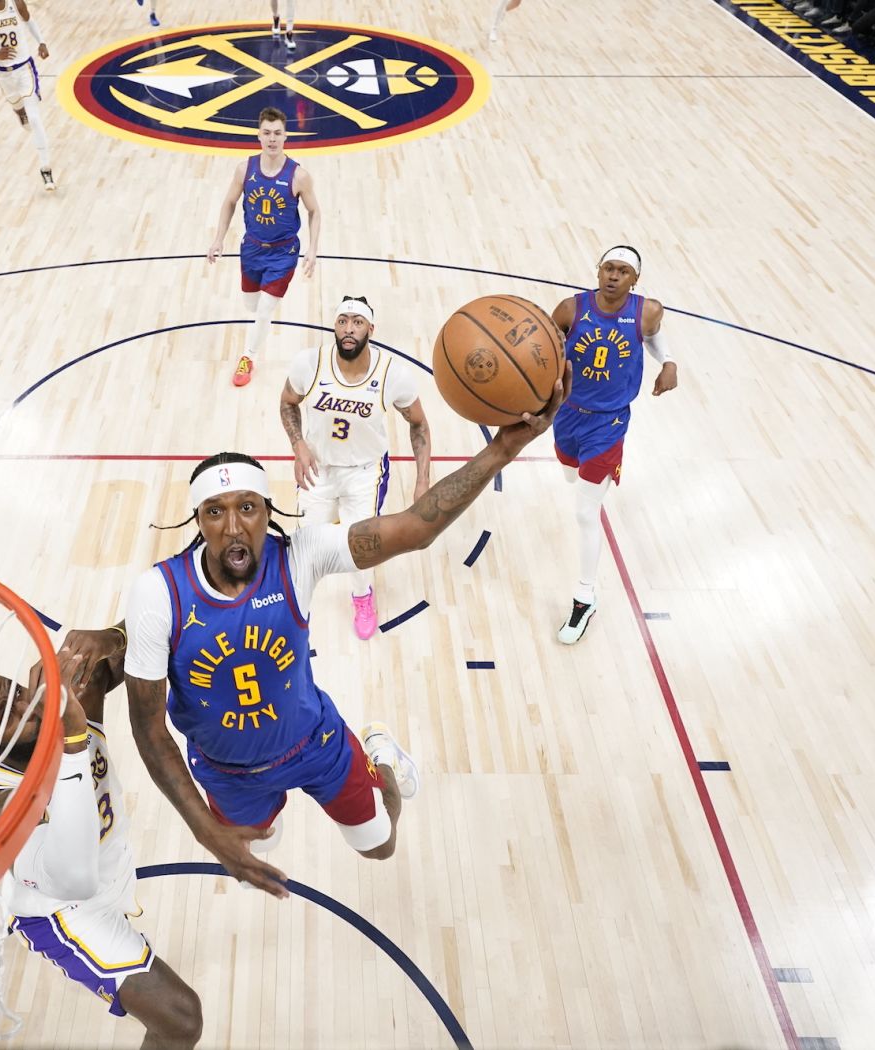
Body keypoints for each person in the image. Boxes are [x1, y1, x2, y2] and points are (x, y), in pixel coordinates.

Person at [122, 385, 564, 898]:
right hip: (226, 771)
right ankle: (262, 815)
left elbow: (414, 530)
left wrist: (502, 449)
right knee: (258, 841)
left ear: (269, 511)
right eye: (215, 512)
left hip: (315, 744)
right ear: (198, 522)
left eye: (247, 506)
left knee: (380, 844)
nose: (234, 526)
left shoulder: (300, 555)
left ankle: (381, 752)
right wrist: (207, 833)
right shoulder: (158, 592)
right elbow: (149, 731)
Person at [0, 632, 203, 1049]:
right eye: (6, 714)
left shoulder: (59, 700)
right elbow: (72, 879)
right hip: (63, 910)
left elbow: (159, 621)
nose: (29, 709)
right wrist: (73, 739)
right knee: (181, 1018)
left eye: (19, 693)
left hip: (110, 862)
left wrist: (110, 638)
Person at [279, 295, 431, 639]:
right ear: (334, 325)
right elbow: (288, 401)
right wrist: (298, 444)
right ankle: (297, 601)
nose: (349, 328)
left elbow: (419, 424)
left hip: (365, 471)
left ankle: (362, 596)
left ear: (370, 329)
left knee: (359, 545)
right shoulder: (309, 363)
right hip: (317, 468)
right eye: (343, 321)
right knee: (306, 543)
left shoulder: (393, 375)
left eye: (357, 322)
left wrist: (422, 480)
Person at [550, 246, 678, 645]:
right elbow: (544, 349)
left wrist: (668, 362)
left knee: (586, 512)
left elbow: (654, 337)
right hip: (568, 413)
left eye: (623, 271)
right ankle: (581, 474)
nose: (614, 276)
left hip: (609, 422)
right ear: (598, 270)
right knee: (569, 476)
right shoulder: (571, 309)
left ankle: (584, 596)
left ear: (634, 279)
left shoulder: (648, 312)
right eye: (609, 268)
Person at [206, 107, 322, 388]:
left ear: (286, 136)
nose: (272, 139)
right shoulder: (245, 169)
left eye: (277, 133)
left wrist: (312, 249)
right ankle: (260, 326)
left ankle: (248, 356)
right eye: (267, 133)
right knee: (251, 304)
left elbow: (314, 211)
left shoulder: (299, 176)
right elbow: (229, 202)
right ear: (259, 135)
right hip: (252, 248)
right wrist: (218, 238)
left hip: (284, 252)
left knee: (264, 310)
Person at [0, 0, 56, 190]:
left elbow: (29, 20)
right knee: (17, 105)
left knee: (34, 118)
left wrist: (41, 42)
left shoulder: (15, 3)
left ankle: (45, 168)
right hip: (3, 72)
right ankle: (18, 110)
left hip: (25, 68)